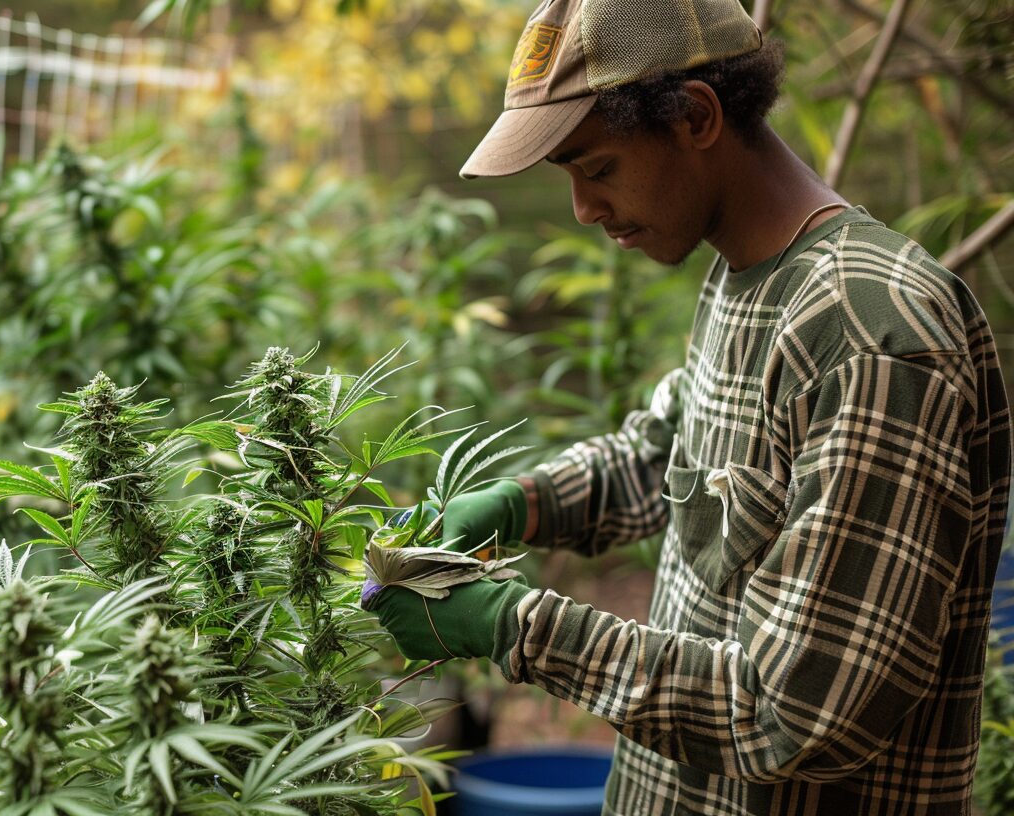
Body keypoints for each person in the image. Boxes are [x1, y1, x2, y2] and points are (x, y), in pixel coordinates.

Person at [364, 0, 1013, 812]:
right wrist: (518, 506)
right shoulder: (747, 273)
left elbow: (796, 712)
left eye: (597, 168)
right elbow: (673, 458)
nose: (584, 210)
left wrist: (515, 626)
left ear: (696, 118)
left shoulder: (867, 333)